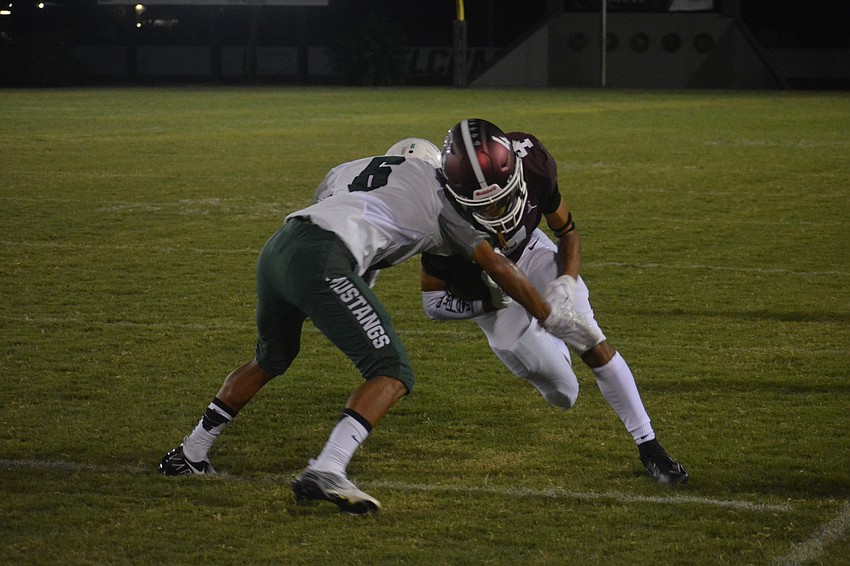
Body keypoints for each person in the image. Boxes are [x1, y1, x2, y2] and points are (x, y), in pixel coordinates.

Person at [158, 138, 582, 515]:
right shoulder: (441, 195)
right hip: (324, 261)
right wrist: (547, 314)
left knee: (271, 358)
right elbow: (495, 264)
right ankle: (328, 468)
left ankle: (190, 451)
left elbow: (336, 209)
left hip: (279, 248)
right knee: (392, 370)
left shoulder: (350, 170)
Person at [422, 118, 688, 485]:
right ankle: (545, 345)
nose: (498, 213)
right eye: (486, 206)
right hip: (488, 289)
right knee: (565, 393)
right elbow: (433, 301)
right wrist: (490, 306)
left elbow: (566, 231)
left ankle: (649, 445)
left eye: (503, 200)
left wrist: (566, 281)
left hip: (531, 252)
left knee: (588, 336)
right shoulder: (438, 212)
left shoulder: (533, 164)